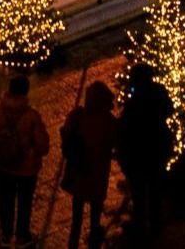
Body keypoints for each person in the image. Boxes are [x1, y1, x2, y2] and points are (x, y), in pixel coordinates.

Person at [0, 73, 51, 246]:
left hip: (4, 164)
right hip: (26, 168)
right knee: (25, 201)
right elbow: (43, 146)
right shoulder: (32, 117)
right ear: (26, 92)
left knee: (5, 198)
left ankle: (6, 235)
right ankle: (22, 236)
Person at [115, 61, 174, 240]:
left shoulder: (133, 105)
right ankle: (155, 225)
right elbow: (169, 110)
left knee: (140, 194)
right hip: (158, 150)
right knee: (155, 189)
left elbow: (125, 131)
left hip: (140, 155)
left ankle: (140, 225)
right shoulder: (159, 92)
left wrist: (124, 156)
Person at [59, 79, 118, 248]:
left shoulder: (77, 115)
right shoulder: (109, 122)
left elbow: (65, 133)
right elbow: (115, 142)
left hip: (78, 171)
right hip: (97, 174)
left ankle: (73, 242)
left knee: (77, 214)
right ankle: (93, 241)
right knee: (95, 211)